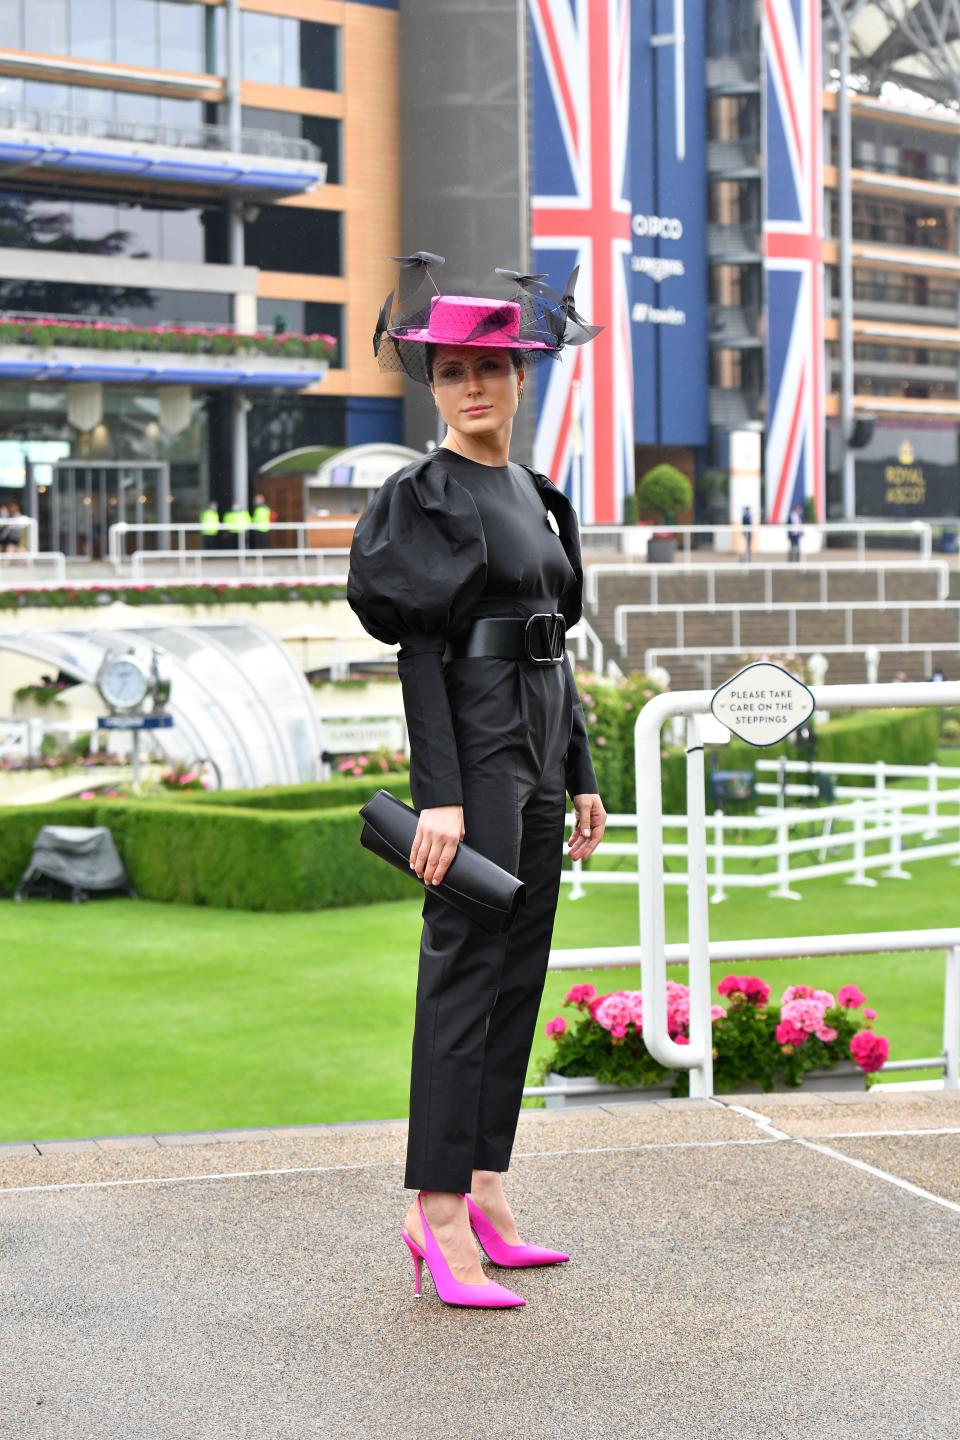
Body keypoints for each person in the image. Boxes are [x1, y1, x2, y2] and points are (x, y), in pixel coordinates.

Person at [347, 252, 606, 1309]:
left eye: (490, 369)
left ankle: (489, 1189)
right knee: (462, 970)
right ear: (434, 383)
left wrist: (582, 770)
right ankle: (436, 1211)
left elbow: (554, 641)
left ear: (519, 377)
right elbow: (420, 652)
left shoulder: (533, 496)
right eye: (454, 370)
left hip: (541, 747)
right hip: (477, 749)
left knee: (519, 970)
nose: (473, 386)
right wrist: (441, 795)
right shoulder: (426, 496)